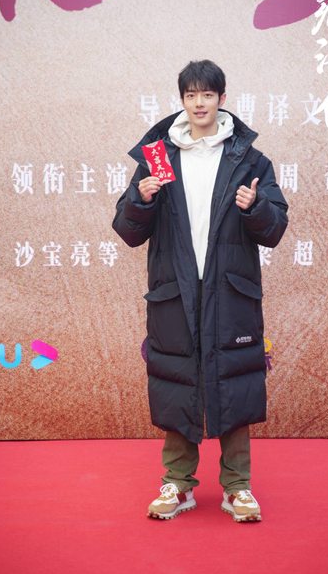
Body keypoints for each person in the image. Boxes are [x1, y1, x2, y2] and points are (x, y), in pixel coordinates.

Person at [112, 60, 288, 522]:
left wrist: (256, 207)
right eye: (190, 95)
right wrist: (141, 200)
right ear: (182, 100)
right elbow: (127, 231)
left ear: (222, 99)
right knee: (176, 381)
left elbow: (275, 229)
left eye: (207, 95)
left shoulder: (249, 160)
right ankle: (177, 484)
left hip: (230, 289)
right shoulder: (158, 157)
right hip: (175, 289)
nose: (199, 103)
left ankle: (238, 488)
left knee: (235, 380)